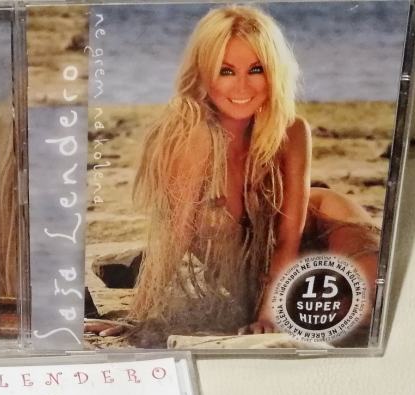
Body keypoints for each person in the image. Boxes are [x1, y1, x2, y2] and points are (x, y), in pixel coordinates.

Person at [93, 5, 379, 342]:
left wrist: (271, 313)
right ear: (202, 73)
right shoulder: (193, 137)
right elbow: (177, 235)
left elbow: (289, 236)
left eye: (256, 69)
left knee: (369, 307)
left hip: (326, 225)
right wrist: (138, 316)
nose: (242, 86)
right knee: (326, 314)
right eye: (225, 70)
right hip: (259, 275)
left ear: (274, 72)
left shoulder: (292, 131)